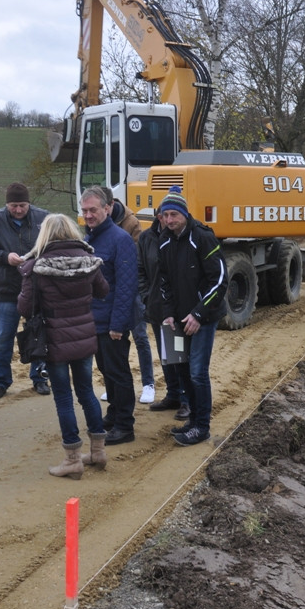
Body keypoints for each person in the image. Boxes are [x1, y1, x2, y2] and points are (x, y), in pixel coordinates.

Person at [18, 214, 110, 479]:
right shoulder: (90, 262)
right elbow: (103, 291)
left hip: (54, 340)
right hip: (84, 336)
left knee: (63, 398)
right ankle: (98, 451)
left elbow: (24, 307)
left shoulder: (36, 267)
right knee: (86, 391)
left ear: (45, 234)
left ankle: (72, 460)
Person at [156, 186, 227, 446]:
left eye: (175, 214)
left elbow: (219, 280)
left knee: (197, 372)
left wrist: (198, 314)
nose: (170, 220)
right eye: (166, 215)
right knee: (182, 369)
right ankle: (194, 419)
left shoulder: (203, 237)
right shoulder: (164, 241)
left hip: (203, 317)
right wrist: (169, 314)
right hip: (179, 319)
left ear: (185, 214)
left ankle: (202, 427)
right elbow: (165, 283)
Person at [0, 182, 51, 399]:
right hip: (6, 289)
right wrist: (5, 257)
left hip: (37, 288)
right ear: (6, 204)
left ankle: (39, 377)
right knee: (2, 339)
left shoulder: (44, 219)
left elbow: (55, 244)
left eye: (22, 205)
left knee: (38, 334)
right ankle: (1, 381)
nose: (18, 210)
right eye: (13, 206)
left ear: (29, 203)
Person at [80, 186, 139, 446]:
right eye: (84, 211)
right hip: (96, 319)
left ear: (107, 207)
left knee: (118, 372)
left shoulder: (120, 239)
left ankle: (125, 425)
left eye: (93, 210)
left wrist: (118, 324)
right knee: (106, 370)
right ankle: (114, 414)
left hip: (112, 322)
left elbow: (126, 286)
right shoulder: (90, 238)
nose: (88, 215)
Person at [102, 186, 156, 404]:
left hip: (131, 289)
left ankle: (148, 384)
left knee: (140, 337)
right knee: (113, 340)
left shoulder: (132, 224)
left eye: (103, 209)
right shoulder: (96, 223)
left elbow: (135, 259)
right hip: (109, 291)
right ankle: (113, 384)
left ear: (110, 206)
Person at [138, 208, 189, 421]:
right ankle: (173, 394)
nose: (167, 220)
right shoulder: (146, 238)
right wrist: (146, 296)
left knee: (180, 355)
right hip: (157, 307)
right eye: (163, 216)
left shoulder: (177, 237)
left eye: (170, 216)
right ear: (158, 218)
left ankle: (187, 400)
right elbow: (141, 269)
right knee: (166, 354)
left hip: (177, 309)